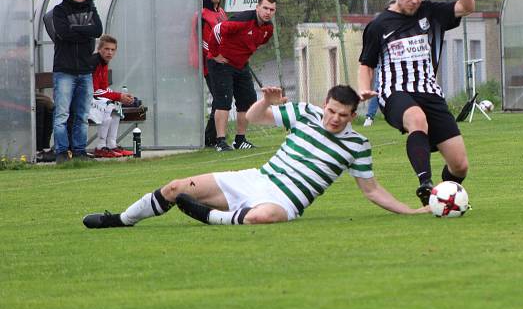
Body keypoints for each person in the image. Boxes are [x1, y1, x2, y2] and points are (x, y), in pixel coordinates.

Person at [82, 85, 428, 228]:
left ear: (353, 115)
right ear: (325, 105)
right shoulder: (305, 113)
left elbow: (372, 190)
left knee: (264, 217)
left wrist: (412, 210)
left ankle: (207, 216)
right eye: (331, 110)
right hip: (257, 178)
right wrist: (266, 101)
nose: (334, 118)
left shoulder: (358, 145)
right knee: (175, 186)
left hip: (286, 201)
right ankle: (121, 220)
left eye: (342, 114)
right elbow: (255, 117)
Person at [358, 0, 475, 205]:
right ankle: (425, 183)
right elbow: (366, 64)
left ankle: (439, 199)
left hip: (430, 92)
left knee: (460, 165)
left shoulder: (430, 13)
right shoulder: (379, 26)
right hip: (396, 92)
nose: (416, 0)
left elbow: (466, 6)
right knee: (416, 119)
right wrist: (364, 89)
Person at [207, 0, 276, 152]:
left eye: (272, 10)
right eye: (265, 8)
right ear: (257, 7)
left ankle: (240, 140)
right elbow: (217, 30)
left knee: (248, 101)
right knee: (224, 101)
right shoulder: (243, 20)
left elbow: (259, 42)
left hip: (241, 65)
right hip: (221, 63)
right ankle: (221, 142)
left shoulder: (268, 29)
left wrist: (243, 54)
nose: (268, 12)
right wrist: (215, 53)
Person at [51, 0, 103, 163]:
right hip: (64, 71)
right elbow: (63, 33)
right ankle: (62, 152)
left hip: (84, 70)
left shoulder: (91, 8)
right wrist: (84, 31)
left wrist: (75, 29)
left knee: (82, 115)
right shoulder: (59, 10)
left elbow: (97, 30)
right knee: (62, 114)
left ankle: (80, 151)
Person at [190, 0, 228, 146]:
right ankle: (210, 137)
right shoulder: (203, 15)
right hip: (210, 64)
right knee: (220, 99)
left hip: (224, 63)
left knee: (221, 99)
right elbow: (203, 41)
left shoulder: (221, 13)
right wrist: (215, 55)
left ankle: (210, 137)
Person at [90, 35, 137, 158]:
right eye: (106, 49)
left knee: (115, 105)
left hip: (95, 98)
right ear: (99, 49)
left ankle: (111, 144)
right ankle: (100, 146)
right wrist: (118, 96)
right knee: (108, 105)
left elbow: (104, 88)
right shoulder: (94, 62)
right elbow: (94, 91)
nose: (109, 52)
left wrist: (122, 97)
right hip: (84, 100)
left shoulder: (105, 63)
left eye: (112, 50)